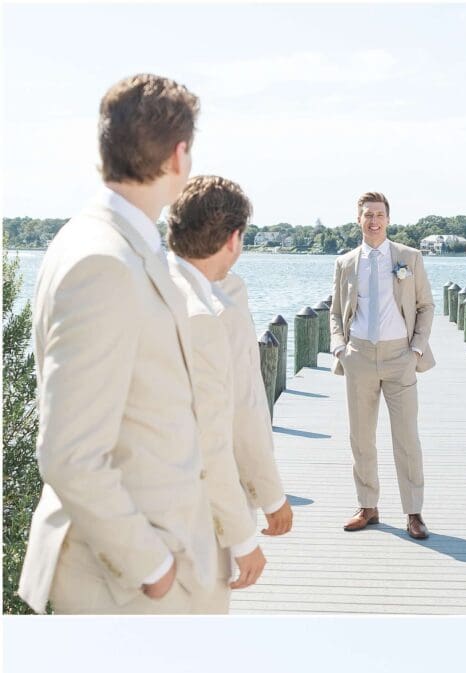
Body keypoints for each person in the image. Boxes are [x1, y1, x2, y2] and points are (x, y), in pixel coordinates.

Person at [19, 71, 220, 616]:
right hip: (124, 588)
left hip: (147, 573)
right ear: (179, 157)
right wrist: (152, 568)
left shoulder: (110, 242)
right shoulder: (102, 260)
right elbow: (69, 453)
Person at [167, 174, 293, 542]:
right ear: (234, 238)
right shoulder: (221, 301)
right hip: (200, 506)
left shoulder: (146, 283)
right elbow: (242, 405)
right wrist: (270, 496)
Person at [164, 195, 266, 602]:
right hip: (191, 515)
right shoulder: (209, 315)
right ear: (233, 240)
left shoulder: (150, 288)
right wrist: (244, 537)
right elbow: (217, 435)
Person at [330, 192, 434, 540]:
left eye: (379, 214)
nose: (373, 220)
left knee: (406, 437)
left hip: (399, 356)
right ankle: (368, 506)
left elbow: (425, 306)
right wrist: (339, 348)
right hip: (358, 355)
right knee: (361, 437)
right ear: (358, 219)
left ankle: (414, 512)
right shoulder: (345, 262)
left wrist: (416, 349)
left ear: (388, 219)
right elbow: (335, 312)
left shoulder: (409, 258)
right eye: (367, 215)